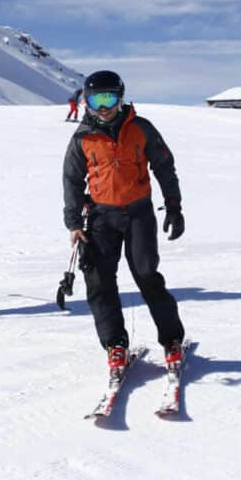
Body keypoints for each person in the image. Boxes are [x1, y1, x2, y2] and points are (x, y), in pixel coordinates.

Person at [62, 70, 185, 378]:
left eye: (109, 99)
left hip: (139, 213)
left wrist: (174, 207)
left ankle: (171, 339)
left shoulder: (141, 129)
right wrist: (74, 222)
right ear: (87, 102)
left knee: (146, 274)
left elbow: (164, 167)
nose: (103, 107)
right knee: (99, 280)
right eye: (96, 100)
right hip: (102, 217)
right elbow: (72, 181)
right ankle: (115, 344)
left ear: (121, 98)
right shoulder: (82, 138)